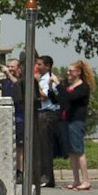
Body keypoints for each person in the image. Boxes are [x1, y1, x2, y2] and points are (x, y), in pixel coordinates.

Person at [60, 59, 95, 190]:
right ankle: (76, 179)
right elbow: (63, 99)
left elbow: (71, 98)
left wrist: (60, 86)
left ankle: (86, 180)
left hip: (77, 120)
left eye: (71, 70)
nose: (68, 72)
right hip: (68, 119)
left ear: (78, 72)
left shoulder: (83, 87)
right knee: (72, 151)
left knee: (79, 150)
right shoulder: (70, 86)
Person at [35, 56, 61, 188]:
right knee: (40, 147)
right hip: (40, 113)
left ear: (47, 66)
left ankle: (48, 177)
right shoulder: (41, 78)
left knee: (46, 147)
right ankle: (42, 175)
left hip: (48, 114)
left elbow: (44, 95)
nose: (37, 67)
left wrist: (35, 84)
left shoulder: (49, 79)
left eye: (40, 64)